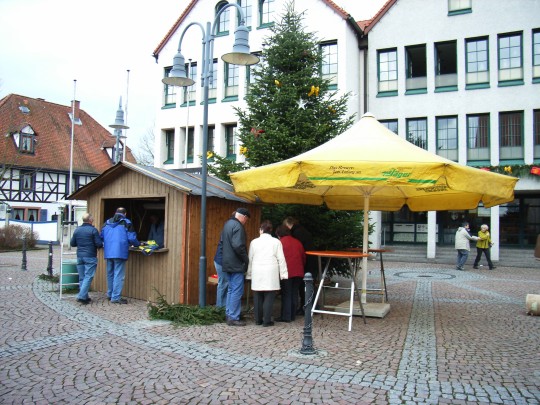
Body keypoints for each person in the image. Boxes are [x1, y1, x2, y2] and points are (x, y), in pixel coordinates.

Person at [246, 220, 288, 327]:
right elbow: (281, 259)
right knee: (269, 296)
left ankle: (258, 320)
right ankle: (267, 321)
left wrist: (249, 274)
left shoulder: (254, 242)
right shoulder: (276, 242)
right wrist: (283, 274)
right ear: (271, 230)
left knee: (257, 296)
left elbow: (250, 259)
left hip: (257, 271)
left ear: (261, 230)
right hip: (271, 272)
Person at [100, 207, 142, 304]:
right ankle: (115, 297)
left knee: (110, 274)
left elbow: (101, 236)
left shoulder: (106, 223)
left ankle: (110, 294)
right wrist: (138, 244)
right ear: (125, 213)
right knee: (118, 275)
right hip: (120, 252)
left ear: (115, 213)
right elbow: (131, 238)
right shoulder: (126, 222)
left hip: (108, 252)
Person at [221, 207, 250, 326]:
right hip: (236, 263)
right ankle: (233, 317)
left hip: (227, 262)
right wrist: (245, 259)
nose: (246, 222)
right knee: (237, 290)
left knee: (231, 290)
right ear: (243, 217)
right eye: (246, 219)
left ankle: (229, 314)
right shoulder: (238, 226)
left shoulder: (227, 224)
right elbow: (238, 245)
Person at [283, 216, 316, 315]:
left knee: (303, 287)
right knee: (307, 286)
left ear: (289, 224)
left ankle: (306, 307)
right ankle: (308, 306)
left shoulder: (296, 233)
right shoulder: (302, 230)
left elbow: (297, 249)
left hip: (305, 262)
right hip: (310, 260)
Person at [70, 213, 103, 304]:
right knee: (88, 276)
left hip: (80, 256)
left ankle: (84, 296)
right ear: (90, 220)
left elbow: (72, 244)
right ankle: (81, 296)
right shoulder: (93, 230)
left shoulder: (77, 230)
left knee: (82, 277)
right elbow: (99, 243)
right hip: (90, 256)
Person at [275, 224, 305, 322]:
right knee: (294, 293)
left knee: (286, 293)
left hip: (287, 272)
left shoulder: (280, 243)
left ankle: (286, 316)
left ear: (279, 233)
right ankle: (292, 315)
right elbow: (303, 257)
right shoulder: (297, 242)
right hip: (299, 271)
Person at [214, 238, 228, 308]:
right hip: (221, 262)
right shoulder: (228, 232)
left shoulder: (226, 231)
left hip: (220, 261)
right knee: (223, 284)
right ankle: (219, 308)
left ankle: (222, 307)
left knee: (224, 284)